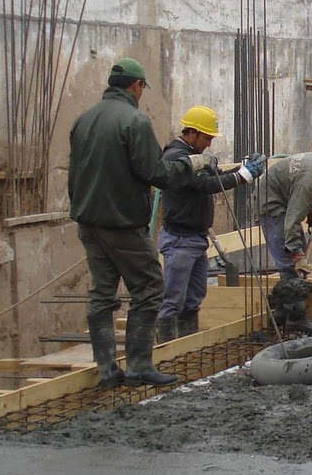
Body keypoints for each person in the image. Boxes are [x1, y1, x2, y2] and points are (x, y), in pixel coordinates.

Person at [68, 58, 230, 389]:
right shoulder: (134, 122)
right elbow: (157, 174)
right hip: (123, 222)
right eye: (143, 88)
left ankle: (107, 370)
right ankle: (140, 365)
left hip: (88, 221)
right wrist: (193, 163)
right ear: (136, 86)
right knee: (149, 288)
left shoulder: (83, 120)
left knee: (101, 293)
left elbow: (74, 175)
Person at [156, 106, 265, 342]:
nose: (209, 144)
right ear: (192, 133)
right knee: (173, 299)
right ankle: (166, 350)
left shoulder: (193, 157)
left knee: (194, 297)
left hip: (195, 239)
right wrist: (243, 176)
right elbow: (205, 185)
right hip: (180, 239)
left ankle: (187, 344)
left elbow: (212, 178)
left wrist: (243, 168)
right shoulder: (176, 158)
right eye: (207, 138)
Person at [253, 152, 312, 279]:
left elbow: (301, 194)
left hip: (283, 195)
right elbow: (292, 220)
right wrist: (297, 255)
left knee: (298, 258)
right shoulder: (309, 181)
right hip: (271, 204)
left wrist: (311, 213)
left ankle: (297, 289)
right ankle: (292, 296)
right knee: (290, 264)